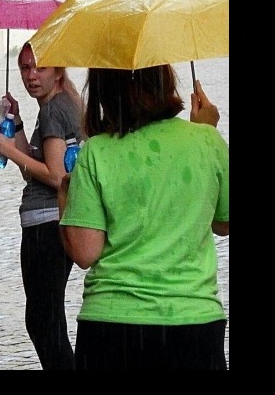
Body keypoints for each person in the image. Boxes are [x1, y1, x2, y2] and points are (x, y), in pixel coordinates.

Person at [57, 66, 229, 370]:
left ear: (102, 90)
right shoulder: (207, 142)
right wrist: (208, 133)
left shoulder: (95, 152)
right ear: (163, 81)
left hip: (112, 328)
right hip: (192, 324)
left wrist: (64, 195)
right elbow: (224, 223)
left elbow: (85, 252)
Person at [0, 42, 84, 370]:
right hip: (58, 220)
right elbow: (34, 168)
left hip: (47, 225)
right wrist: (13, 124)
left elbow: (57, 177)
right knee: (47, 319)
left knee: (44, 322)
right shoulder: (66, 103)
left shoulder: (54, 109)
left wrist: (7, 149)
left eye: (39, 67)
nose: (31, 76)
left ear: (58, 70)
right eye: (24, 68)